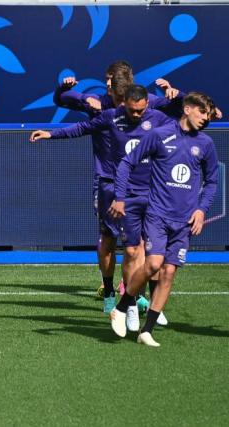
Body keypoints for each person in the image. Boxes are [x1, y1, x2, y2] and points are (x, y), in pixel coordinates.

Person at [30, 84, 176, 324]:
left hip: (152, 192)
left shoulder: (159, 119)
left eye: (140, 111)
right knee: (130, 249)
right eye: (132, 110)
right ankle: (125, 302)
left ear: (147, 105)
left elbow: (184, 126)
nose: (136, 115)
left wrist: (184, 99)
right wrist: (50, 133)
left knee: (151, 251)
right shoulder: (111, 117)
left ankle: (146, 302)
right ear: (124, 104)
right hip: (122, 193)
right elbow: (82, 128)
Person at [108, 92, 219, 347]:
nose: (206, 118)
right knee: (154, 264)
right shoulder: (159, 135)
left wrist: (202, 209)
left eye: (209, 114)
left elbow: (212, 181)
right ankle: (123, 307)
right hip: (157, 214)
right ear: (188, 108)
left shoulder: (205, 144)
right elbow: (127, 163)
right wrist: (120, 197)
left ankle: (146, 331)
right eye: (203, 112)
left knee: (169, 273)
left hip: (185, 222)